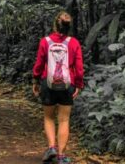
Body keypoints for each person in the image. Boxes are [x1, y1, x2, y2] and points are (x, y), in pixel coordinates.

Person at [32, 11, 84, 164]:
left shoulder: (45, 41)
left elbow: (39, 64)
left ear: (55, 24)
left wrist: (35, 80)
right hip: (67, 85)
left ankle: (51, 148)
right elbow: (79, 68)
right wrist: (78, 85)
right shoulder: (73, 43)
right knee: (64, 120)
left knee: (48, 117)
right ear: (69, 27)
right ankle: (61, 156)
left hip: (47, 84)